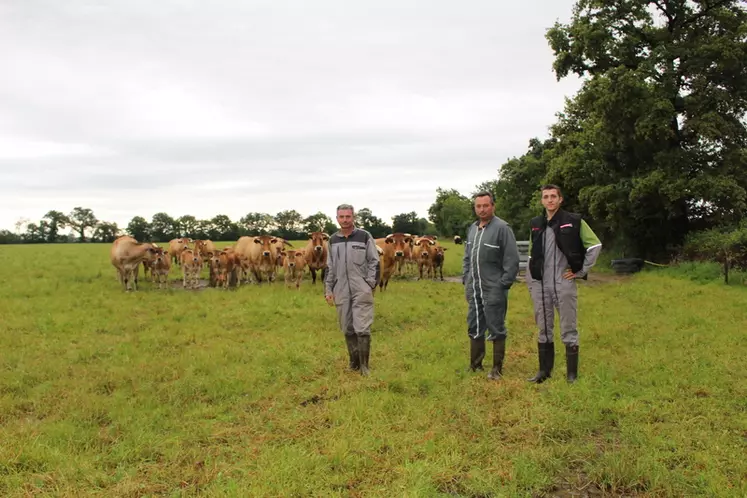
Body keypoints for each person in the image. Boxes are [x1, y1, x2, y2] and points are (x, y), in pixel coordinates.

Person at [526, 184, 602, 384]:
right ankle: (544, 371)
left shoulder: (573, 221)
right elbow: (532, 255)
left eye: (553, 196)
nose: (549, 200)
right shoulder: (536, 224)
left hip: (563, 281)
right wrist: (530, 280)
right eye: (546, 197)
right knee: (543, 326)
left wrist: (580, 270)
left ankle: (571, 375)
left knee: (568, 325)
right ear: (542, 200)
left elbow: (595, 245)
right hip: (540, 283)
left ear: (560, 199)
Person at [462, 192, 520, 380]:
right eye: (478, 206)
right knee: (474, 324)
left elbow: (512, 259)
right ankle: (475, 364)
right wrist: (466, 279)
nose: (482, 209)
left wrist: (503, 283)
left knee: (496, 326)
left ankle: (496, 368)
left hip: (494, 287)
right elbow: (467, 257)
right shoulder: (472, 228)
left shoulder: (502, 228)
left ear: (493, 206)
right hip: (475, 286)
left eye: (485, 205)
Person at [325, 204, 380, 376]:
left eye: (348, 217)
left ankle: (365, 366)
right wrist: (328, 289)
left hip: (361, 288)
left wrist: (369, 284)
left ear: (353, 217)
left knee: (362, 327)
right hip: (341, 289)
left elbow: (374, 262)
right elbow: (329, 267)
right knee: (347, 327)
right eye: (341, 217)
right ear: (337, 219)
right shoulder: (333, 240)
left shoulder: (364, 236)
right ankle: (353, 363)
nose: (345, 220)